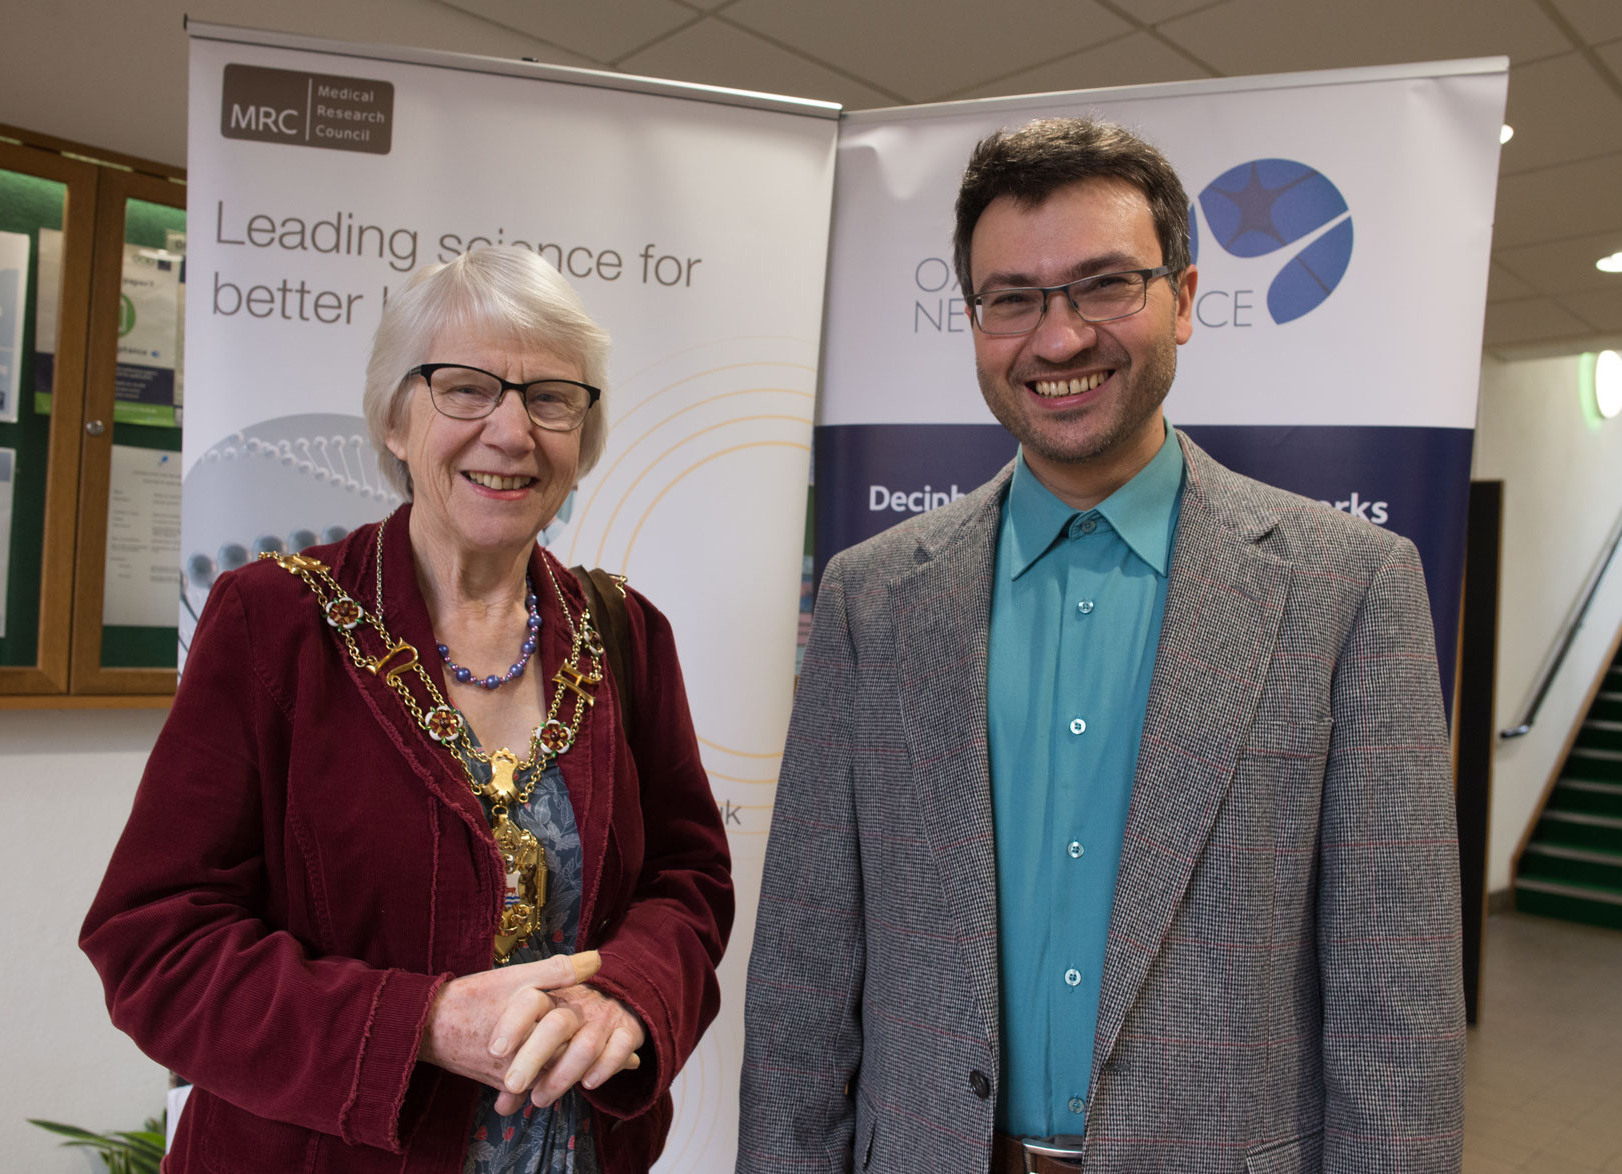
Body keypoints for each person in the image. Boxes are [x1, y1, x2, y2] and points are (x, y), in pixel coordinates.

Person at [738, 118, 1463, 1173]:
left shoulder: (1348, 587)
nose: (1060, 337)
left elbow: (1392, 1005)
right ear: (975, 317)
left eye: (1102, 285)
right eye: (1013, 298)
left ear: (1182, 298)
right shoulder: (872, 598)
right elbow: (803, 974)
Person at [82, 246, 733, 1174]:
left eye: (551, 398)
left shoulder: (626, 631)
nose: (511, 432)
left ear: (583, 438)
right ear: (395, 417)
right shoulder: (275, 622)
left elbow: (689, 883)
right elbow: (153, 941)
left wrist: (626, 995)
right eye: (464, 389)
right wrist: (417, 1025)